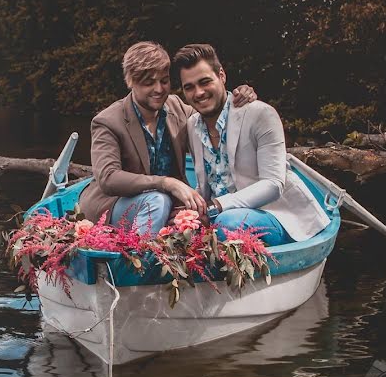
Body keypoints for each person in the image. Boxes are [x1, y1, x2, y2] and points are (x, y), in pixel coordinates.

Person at [79, 41, 257, 235]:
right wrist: (165, 183)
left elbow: (214, 117)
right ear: (130, 81)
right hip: (113, 208)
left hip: (168, 204)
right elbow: (108, 178)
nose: (159, 89)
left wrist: (238, 96)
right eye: (149, 83)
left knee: (198, 207)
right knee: (157, 200)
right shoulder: (107, 121)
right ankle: (140, 261)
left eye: (164, 81)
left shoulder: (178, 108)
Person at [173, 43, 329, 245]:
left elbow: (273, 185)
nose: (199, 93)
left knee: (227, 223)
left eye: (205, 82)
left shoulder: (260, 114)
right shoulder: (193, 125)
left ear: (221, 76)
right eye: (189, 87)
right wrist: (189, 212)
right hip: (220, 217)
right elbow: (206, 185)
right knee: (176, 226)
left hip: (275, 215)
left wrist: (216, 206)